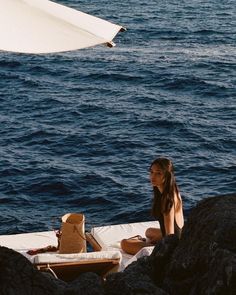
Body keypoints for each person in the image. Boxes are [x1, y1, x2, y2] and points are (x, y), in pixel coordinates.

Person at [145, 157, 184, 244]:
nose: (153, 176)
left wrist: (156, 247)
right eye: (151, 172)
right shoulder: (173, 191)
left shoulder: (167, 199)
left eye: (158, 173)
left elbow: (169, 236)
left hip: (173, 244)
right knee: (148, 232)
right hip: (179, 235)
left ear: (167, 176)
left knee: (125, 243)